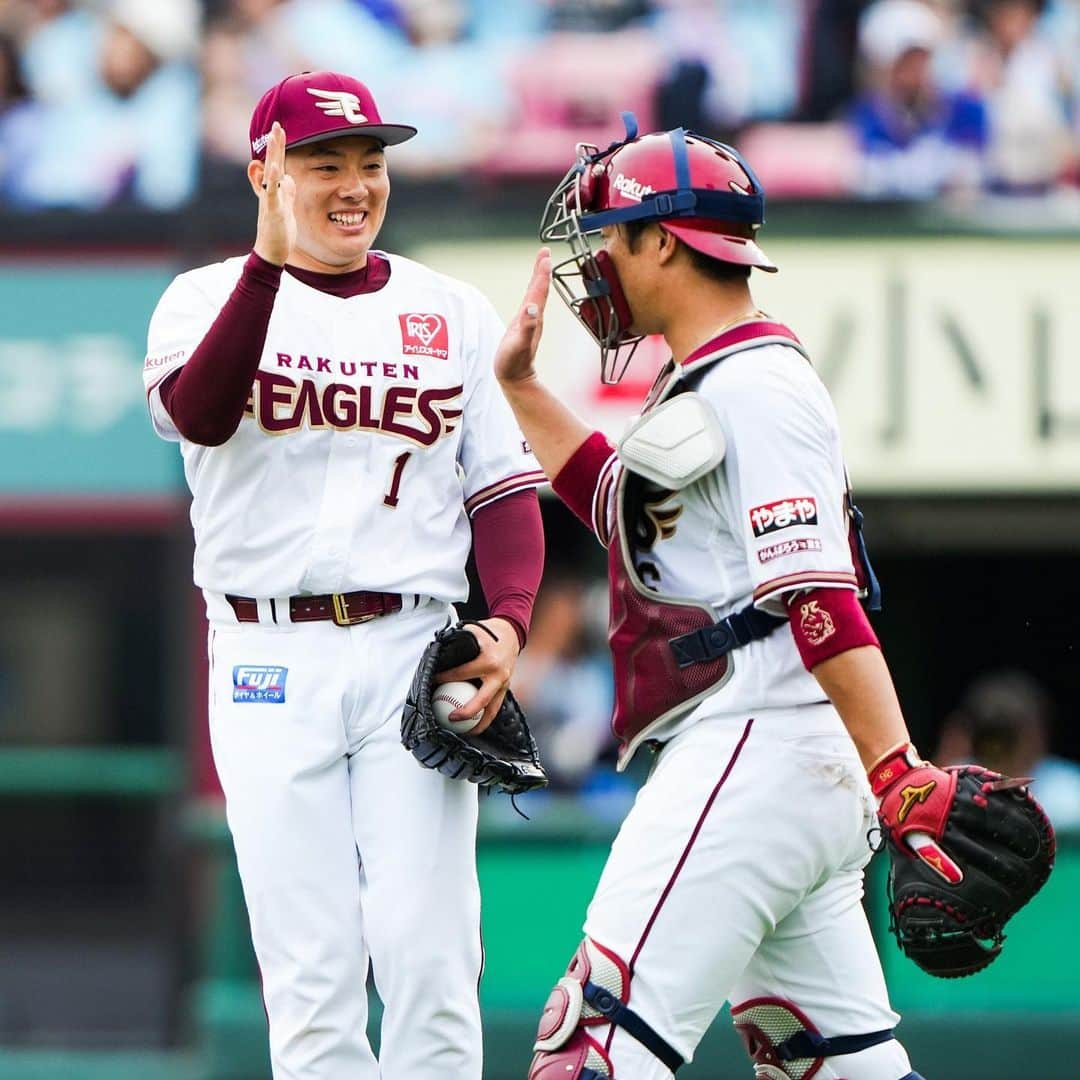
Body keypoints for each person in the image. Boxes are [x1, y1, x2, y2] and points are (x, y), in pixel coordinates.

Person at [493, 119, 930, 1078]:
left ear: (663, 241)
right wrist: (521, 388)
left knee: (591, 1052)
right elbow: (619, 509)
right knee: (840, 1065)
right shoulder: (712, 377)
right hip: (782, 762)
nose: (598, 258)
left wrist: (898, 769)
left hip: (753, 746)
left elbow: (819, 598)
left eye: (612, 235)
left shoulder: (758, 385)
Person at [142, 70, 546, 1079]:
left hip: (412, 649)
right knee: (313, 975)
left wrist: (507, 626)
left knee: (431, 958)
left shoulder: (446, 307)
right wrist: (269, 270)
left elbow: (499, 491)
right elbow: (201, 412)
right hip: (265, 653)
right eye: (325, 163)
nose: (356, 183)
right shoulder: (201, 299)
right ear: (266, 173)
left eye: (371, 162)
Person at [936, 668, 1080, 829]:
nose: (999, 752)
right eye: (992, 740)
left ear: (1037, 736)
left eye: (1010, 740)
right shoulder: (953, 780)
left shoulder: (1070, 794)